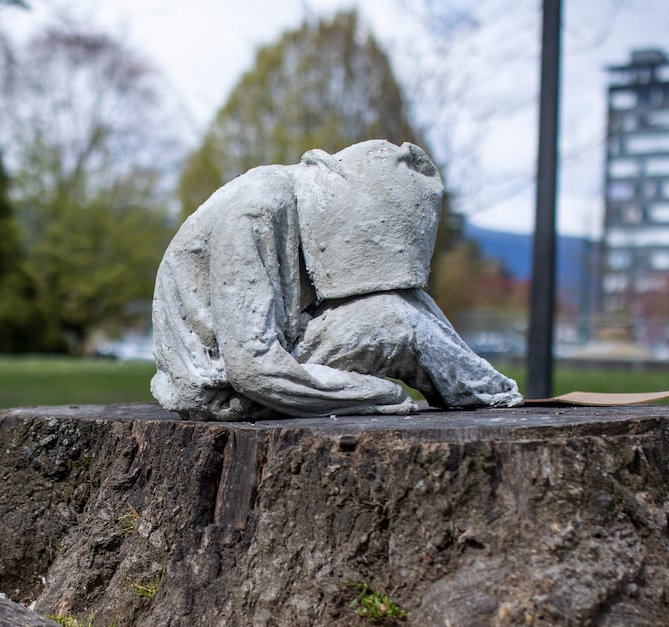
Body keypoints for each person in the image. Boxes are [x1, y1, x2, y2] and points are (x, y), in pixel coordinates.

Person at [150, 139, 522, 421]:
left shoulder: (295, 199)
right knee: (395, 322)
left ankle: (488, 389)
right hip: (223, 385)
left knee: (403, 306)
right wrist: (372, 394)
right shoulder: (258, 208)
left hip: (267, 360)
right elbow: (251, 367)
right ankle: (486, 392)